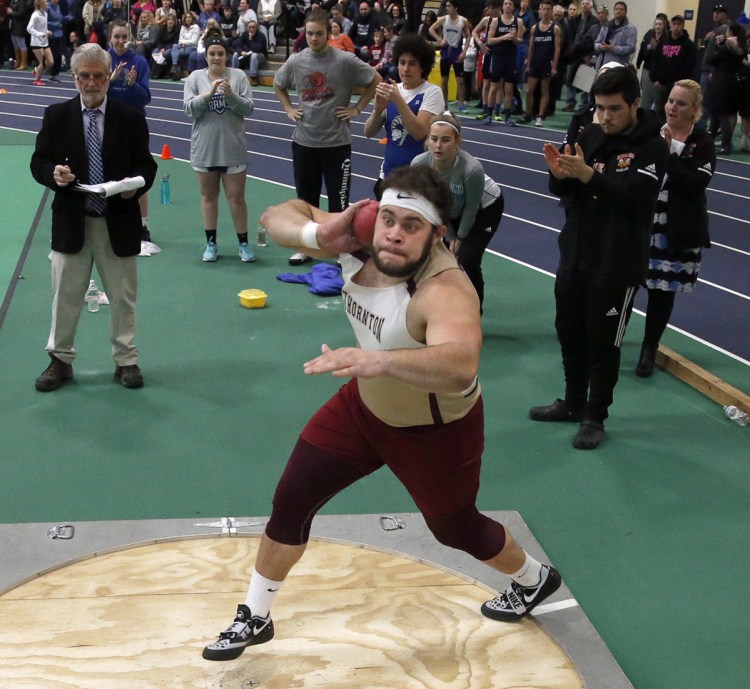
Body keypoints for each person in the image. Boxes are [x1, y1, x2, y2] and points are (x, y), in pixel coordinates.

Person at [200, 165, 562, 662]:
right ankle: (255, 615)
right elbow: (273, 216)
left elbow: (460, 364)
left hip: (433, 430)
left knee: (455, 529)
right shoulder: (363, 239)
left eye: (411, 226)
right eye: (388, 219)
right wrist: (317, 232)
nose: (394, 234)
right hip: (363, 407)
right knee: (292, 498)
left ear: (437, 235)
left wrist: (378, 360)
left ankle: (533, 579)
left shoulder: (446, 290)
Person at [532, 66, 669, 450]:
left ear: (635, 104)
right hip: (576, 253)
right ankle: (573, 402)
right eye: (600, 108)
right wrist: (559, 173)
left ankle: (595, 415)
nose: (605, 116)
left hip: (618, 262)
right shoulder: (590, 134)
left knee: (603, 342)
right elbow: (564, 188)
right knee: (569, 331)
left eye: (614, 108)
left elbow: (635, 198)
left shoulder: (651, 146)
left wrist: (588, 175)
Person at [30, 43, 157, 392]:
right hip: (72, 220)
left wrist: (134, 186)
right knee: (65, 296)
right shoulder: (56, 115)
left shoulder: (130, 118)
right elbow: (38, 162)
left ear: (108, 77)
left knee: (122, 296)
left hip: (117, 221)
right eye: (83, 75)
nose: (90, 82)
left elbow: (146, 165)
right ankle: (59, 360)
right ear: (74, 78)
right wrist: (52, 174)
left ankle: (126, 360)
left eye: (98, 76)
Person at [274, 9, 379, 266]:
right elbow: (279, 83)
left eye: (319, 33)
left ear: (328, 32)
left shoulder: (344, 60)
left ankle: (341, 251)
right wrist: (288, 108)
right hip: (304, 142)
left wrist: (357, 108)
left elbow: (374, 80)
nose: (314, 38)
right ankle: (306, 247)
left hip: (336, 144)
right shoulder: (297, 61)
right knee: (306, 201)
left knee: (339, 204)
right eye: (309, 33)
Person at [636, 79, 716, 377]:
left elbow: (695, 183)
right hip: (642, 217)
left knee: (662, 292)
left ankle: (648, 348)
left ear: (695, 109)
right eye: (670, 100)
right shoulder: (651, 131)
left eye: (681, 103)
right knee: (625, 280)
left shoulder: (703, 142)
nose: (672, 107)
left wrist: (669, 155)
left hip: (676, 225)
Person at [412, 112, 503, 309]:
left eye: (445, 140)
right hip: (448, 209)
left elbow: (471, 207)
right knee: (439, 259)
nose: (438, 145)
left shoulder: (471, 169)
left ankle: (474, 311)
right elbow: (431, 203)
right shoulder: (419, 164)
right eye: (434, 139)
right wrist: (450, 233)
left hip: (484, 209)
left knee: (467, 260)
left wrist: (459, 237)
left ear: (457, 142)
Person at [183, 31, 255, 262]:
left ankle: (243, 244)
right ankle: (211, 244)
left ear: (227, 56)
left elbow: (248, 108)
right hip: (205, 148)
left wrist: (231, 95)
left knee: (237, 197)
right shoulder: (195, 78)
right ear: (206, 56)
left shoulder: (238, 76)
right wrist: (208, 94)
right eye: (212, 54)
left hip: (233, 148)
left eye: (220, 54)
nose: (216, 58)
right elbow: (188, 109)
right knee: (208, 196)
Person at [363, 33, 444, 196]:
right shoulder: (393, 90)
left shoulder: (432, 92)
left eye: (412, 64)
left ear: (423, 67)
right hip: (388, 176)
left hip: (419, 180)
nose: (406, 69)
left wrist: (398, 100)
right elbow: (368, 132)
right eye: (402, 63)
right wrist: (378, 110)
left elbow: (419, 132)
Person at [107, 18, 156, 253]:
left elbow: (146, 97)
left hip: (134, 125)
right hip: (107, 124)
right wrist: (110, 80)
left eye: (124, 36)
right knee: (108, 174)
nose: (120, 41)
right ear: (110, 38)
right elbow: (92, 92)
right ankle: (108, 222)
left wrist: (134, 85)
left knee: (137, 178)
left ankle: (143, 226)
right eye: (116, 36)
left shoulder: (139, 62)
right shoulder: (102, 59)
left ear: (130, 37)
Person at [474, 0, 523, 125]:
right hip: (497, 57)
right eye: (505, 4)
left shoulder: (518, 21)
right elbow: (489, 40)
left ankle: (507, 116)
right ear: (503, 6)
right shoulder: (496, 21)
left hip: (511, 58)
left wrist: (514, 38)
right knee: (494, 87)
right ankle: (489, 114)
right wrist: (504, 37)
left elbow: (519, 41)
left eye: (510, 4)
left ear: (513, 7)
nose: (507, 6)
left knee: (509, 89)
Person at [707, 23, 748, 154]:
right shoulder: (741, 47)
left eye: (728, 31)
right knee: (716, 113)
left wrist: (717, 45)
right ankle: (709, 141)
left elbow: (712, 60)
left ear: (730, 33)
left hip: (721, 82)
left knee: (722, 115)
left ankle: (725, 145)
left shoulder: (726, 47)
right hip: (732, 82)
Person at [650, 15, 695, 125]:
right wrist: (655, 79)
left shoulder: (688, 44)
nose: (676, 27)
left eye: (679, 24)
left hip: (677, 84)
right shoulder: (663, 42)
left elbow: (689, 65)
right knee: (660, 109)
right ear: (670, 25)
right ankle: (661, 132)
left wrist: (681, 82)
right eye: (674, 24)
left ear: (683, 26)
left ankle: (673, 132)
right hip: (660, 83)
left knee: (675, 111)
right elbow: (655, 62)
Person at [521, 0, 561, 127]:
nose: (545, 12)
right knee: (529, 90)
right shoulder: (534, 28)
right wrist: (528, 65)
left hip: (546, 64)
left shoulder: (555, 29)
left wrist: (554, 66)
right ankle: (528, 113)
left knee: (545, 91)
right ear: (540, 10)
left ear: (551, 11)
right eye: (543, 9)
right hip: (535, 64)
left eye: (548, 9)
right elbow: (531, 48)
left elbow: (557, 48)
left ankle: (540, 116)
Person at [429, 0, 471, 112]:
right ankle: (445, 103)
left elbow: (468, 36)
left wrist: (464, 51)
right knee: (444, 80)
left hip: (457, 50)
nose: (447, 8)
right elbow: (431, 29)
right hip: (445, 51)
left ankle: (462, 103)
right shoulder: (443, 19)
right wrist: (439, 40)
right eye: (446, 6)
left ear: (455, 8)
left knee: (460, 80)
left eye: (449, 6)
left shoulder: (463, 21)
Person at [561, 0, 597, 112]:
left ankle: (584, 103)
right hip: (573, 53)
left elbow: (593, 39)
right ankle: (570, 102)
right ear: (580, 6)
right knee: (570, 78)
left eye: (587, 3)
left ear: (591, 6)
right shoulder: (574, 19)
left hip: (586, 54)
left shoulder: (594, 22)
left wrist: (589, 54)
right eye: (583, 3)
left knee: (586, 79)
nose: (585, 5)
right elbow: (569, 35)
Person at [635, 13, 667, 112]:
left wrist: (658, 48)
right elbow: (642, 50)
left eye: (660, 24)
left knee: (659, 100)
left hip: (661, 72)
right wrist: (638, 63)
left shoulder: (668, 37)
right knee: (645, 98)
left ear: (664, 26)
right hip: (648, 68)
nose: (658, 26)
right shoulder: (649, 34)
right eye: (656, 24)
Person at [593, 0, 636, 72]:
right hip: (601, 65)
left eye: (621, 9)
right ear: (614, 11)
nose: (618, 11)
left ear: (625, 12)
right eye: (617, 9)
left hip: (617, 68)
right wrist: (600, 47)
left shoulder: (630, 29)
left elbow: (631, 48)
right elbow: (596, 42)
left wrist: (613, 48)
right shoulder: (606, 26)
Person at [231, 18, 266, 83]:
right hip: (247, 55)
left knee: (254, 55)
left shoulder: (261, 36)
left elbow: (256, 49)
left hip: (260, 56)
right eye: (250, 27)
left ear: (256, 28)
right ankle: (234, 75)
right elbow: (238, 45)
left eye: (253, 27)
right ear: (247, 28)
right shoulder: (244, 34)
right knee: (235, 54)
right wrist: (241, 51)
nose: (251, 29)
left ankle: (253, 77)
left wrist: (251, 40)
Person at [27, 0, 53, 85]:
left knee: (50, 62)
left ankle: (36, 70)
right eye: (45, 2)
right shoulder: (35, 15)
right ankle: (37, 79)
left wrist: (47, 32)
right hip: (36, 43)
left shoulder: (45, 14)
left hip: (44, 42)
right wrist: (39, 34)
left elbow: (43, 27)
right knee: (42, 63)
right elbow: (29, 28)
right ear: (40, 4)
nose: (47, 3)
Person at [170, 11, 200, 79]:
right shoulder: (183, 27)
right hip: (183, 46)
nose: (187, 19)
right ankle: (174, 66)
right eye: (186, 17)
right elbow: (179, 40)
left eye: (189, 17)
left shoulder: (196, 27)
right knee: (174, 46)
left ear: (192, 18)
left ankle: (176, 70)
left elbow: (194, 41)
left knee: (178, 52)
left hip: (192, 47)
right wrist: (182, 43)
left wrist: (184, 43)